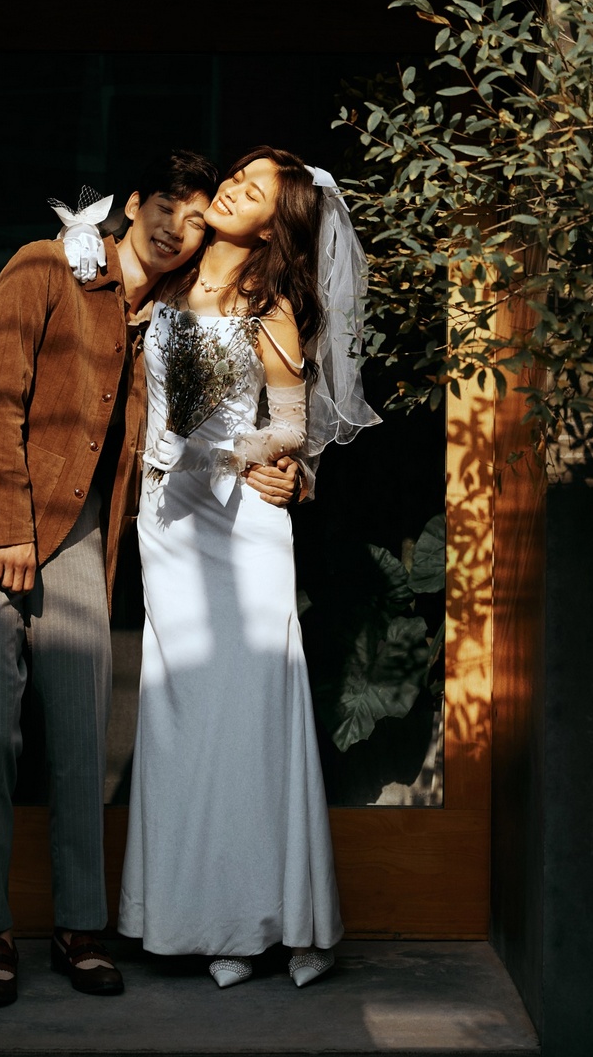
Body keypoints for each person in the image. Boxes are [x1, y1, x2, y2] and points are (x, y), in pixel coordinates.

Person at [0, 150, 299, 1009]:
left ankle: (78, 927)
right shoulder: (44, 266)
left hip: (77, 534)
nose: (177, 227)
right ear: (133, 202)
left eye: (196, 218)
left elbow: (226, 411)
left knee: (83, 733)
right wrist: (10, 530)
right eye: (166, 206)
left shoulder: (163, 310)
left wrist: (283, 464)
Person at [109, 145, 379, 989]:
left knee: (250, 719)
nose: (233, 190)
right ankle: (197, 922)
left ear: (272, 224)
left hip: (241, 528)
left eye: (254, 190)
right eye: (238, 176)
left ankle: (271, 922)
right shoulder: (163, 283)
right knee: (181, 718)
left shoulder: (271, 308)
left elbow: (292, 425)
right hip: (168, 528)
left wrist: (250, 457)